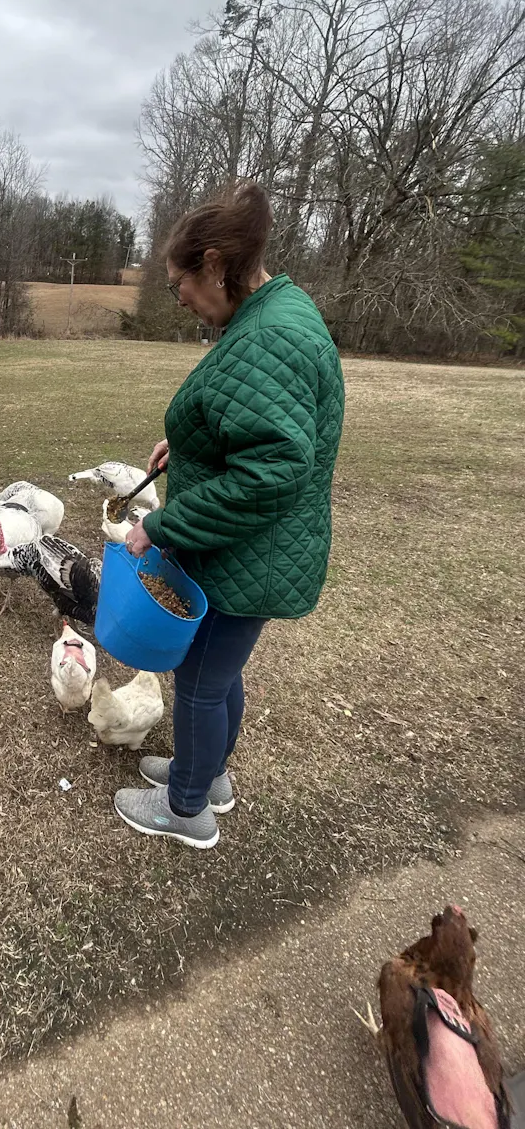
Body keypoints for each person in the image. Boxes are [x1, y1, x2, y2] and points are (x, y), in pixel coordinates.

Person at [114, 181, 345, 849]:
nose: (180, 297)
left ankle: (187, 808)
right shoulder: (274, 313)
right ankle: (206, 772)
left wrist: (157, 526)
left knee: (198, 681)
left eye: (180, 281)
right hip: (256, 550)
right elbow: (253, 425)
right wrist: (186, 443)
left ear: (214, 263)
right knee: (216, 673)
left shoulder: (269, 337)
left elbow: (268, 474)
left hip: (249, 552)